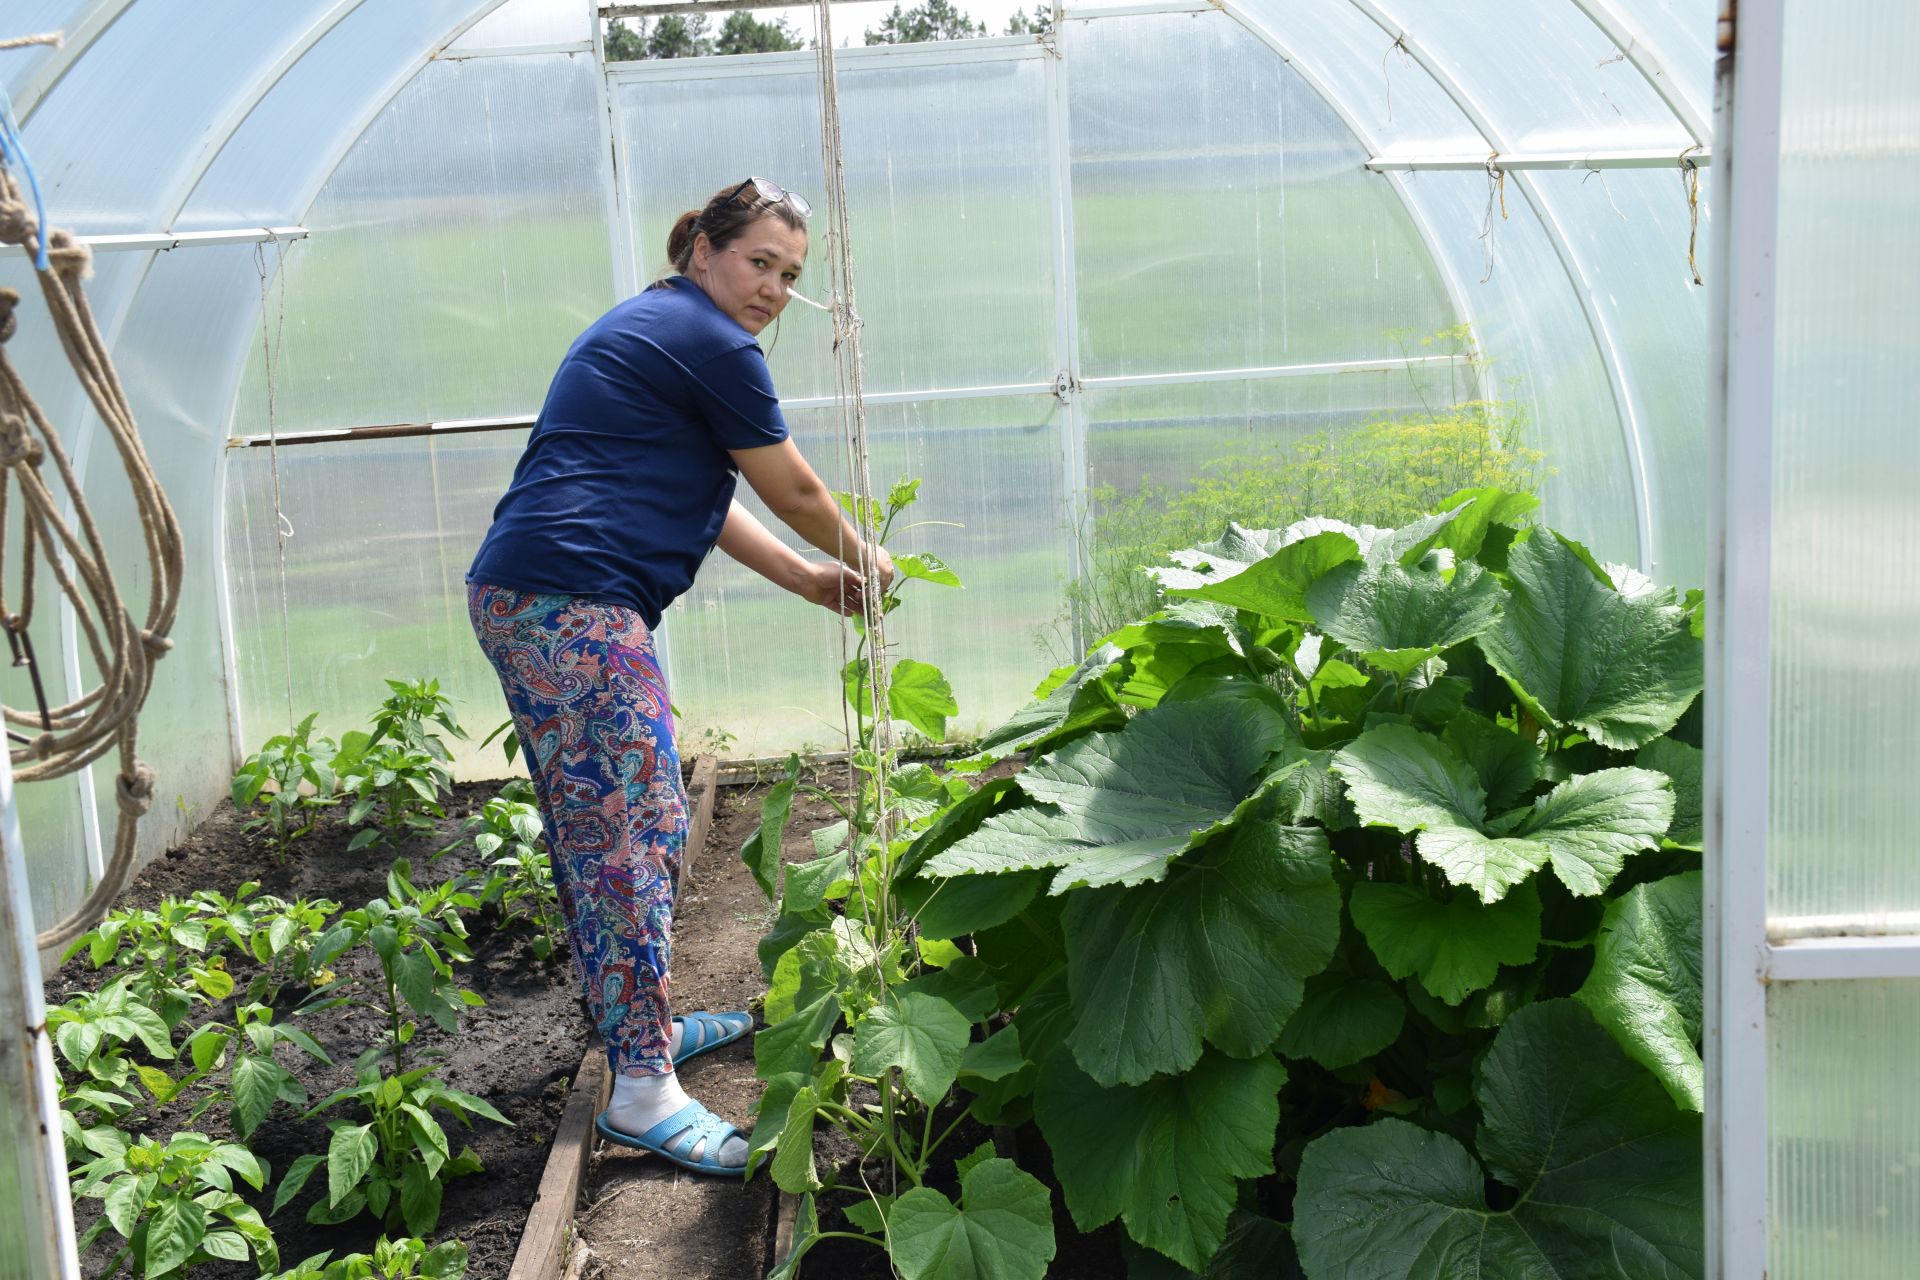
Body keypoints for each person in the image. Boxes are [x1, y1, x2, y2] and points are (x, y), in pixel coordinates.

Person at [466, 177, 891, 1177]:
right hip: (567, 600)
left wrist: (807, 576)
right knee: (628, 827)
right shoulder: (707, 336)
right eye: (760, 263)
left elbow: (724, 496)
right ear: (702, 246)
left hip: (546, 595)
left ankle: (642, 1033)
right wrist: (874, 560)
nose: (775, 289)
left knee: (624, 819)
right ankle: (644, 1091)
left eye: (790, 276)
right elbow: (791, 484)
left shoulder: (669, 327)